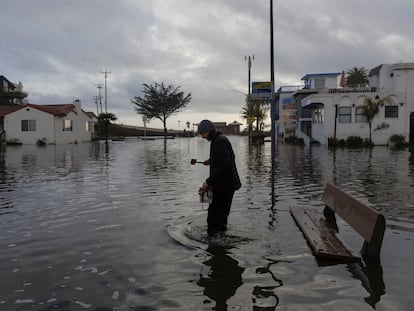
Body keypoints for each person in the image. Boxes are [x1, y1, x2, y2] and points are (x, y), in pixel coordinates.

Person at [198, 119, 241, 238]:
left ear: (209, 131)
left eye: (203, 134)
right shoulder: (220, 139)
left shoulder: (219, 142)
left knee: (213, 217)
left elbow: (225, 165)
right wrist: (212, 161)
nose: (202, 137)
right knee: (222, 216)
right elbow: (229, 157)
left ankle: (212, 242)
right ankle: (221, 242)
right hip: (227, 185)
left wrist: (208, 181)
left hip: (224, 186)